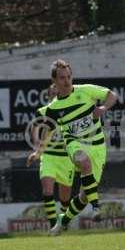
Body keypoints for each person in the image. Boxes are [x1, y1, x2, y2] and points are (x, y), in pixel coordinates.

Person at [27, 59, 118, 236]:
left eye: (69, 76)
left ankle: (63, 221)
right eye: (62, 78)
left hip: (98, 145)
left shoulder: (85, 91)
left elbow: (112, 95)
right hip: (74, 144)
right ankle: (97, 207)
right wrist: (38, 150)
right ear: (54, 81)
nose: (67, 81)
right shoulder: (53, 108)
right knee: (84, 164)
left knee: (83, 196)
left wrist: (103, 107)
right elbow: (39, 125)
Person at [26, 85, 74, 230]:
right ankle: (53, 225)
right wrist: (36, 150)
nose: (55, 96)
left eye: (57, 93)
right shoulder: (45, 111)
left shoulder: (71, 110)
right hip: (49, 156)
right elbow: (35, 126)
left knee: (65, 198)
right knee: (47, 191)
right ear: (48, 96)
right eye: (52, 94)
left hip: (66, 159)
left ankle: (63, 223)